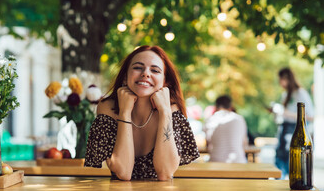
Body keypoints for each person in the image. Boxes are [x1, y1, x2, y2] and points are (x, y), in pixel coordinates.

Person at [84, 45, 200, 180]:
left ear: (165, 82)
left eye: (155, 70)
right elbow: (123, 172)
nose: (146, 73)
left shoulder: (171, 110)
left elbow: (165, 172)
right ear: (125, 77)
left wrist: (165, 112)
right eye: (138, 67)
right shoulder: (107, 108)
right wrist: (125, 112)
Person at [274, 67, 314, 179]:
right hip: (283, 131)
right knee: (279, 161)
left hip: (294, 131)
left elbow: (310, 116)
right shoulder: (285, 95)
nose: (280, 83)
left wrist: (286, 113)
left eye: (280, 79)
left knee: (292, 163)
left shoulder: (301, 93)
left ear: (286, 78)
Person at [203, 95, 248, 163]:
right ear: (231, 105)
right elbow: (244, 143)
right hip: (238, 161)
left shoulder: (210, 120)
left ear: (216, 106)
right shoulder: (239, 119)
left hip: (216, 162)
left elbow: (208, 145)